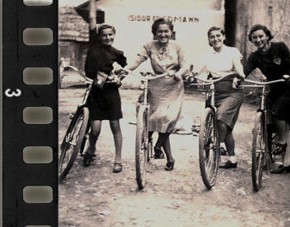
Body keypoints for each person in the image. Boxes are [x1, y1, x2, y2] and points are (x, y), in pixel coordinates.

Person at [121, 17, 188, 170]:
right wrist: (124, 71)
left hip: (173, 87)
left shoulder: (178, 46)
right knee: (155, 120)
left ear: (171, 32)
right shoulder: (149, 45)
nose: (163, 34)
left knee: (168, 118)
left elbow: (185, 66)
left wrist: (179, 73)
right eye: (159, 32)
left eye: (166, 31)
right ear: (155, 33)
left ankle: (158, 146)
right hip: (156, 86)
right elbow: (136, 61)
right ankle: (169, 157)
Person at [243, 24, 290, 175]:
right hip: (274, 89)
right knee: (267, 120)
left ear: (267, 36)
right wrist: (238, 79)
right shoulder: (255, 57)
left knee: (279, 110)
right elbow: (245, 70)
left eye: (261, 36)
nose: (258, 40)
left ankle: (281, 143)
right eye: (254, 38)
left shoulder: (280, 47)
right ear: (251, 40)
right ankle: (281, 162)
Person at [188, 25, 246, 169]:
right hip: (214, 91)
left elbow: (238, 66)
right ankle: (232, 160)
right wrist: (192, 75)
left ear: (224, 37)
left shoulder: (232, 51)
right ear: (209, 40)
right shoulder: (206, 55)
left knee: (221, 118)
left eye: (218, 35)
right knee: (222, 125)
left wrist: (240, 74)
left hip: (232, 90)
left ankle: (216, 147)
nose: (215, 39)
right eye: (212, 37)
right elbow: (198, 68)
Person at [80, 23, 127, 172]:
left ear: (114, 35)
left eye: (110, 34)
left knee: (115, 126)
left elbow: (125, 69)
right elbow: (89, 72)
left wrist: (119, 78)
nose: (108, 37)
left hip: (111, 94)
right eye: (104, 35)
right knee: (95, 130)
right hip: (95, 93)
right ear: (99, 37)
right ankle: (91, 148)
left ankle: (118, 159)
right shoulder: (93, 49)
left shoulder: (117, 53)